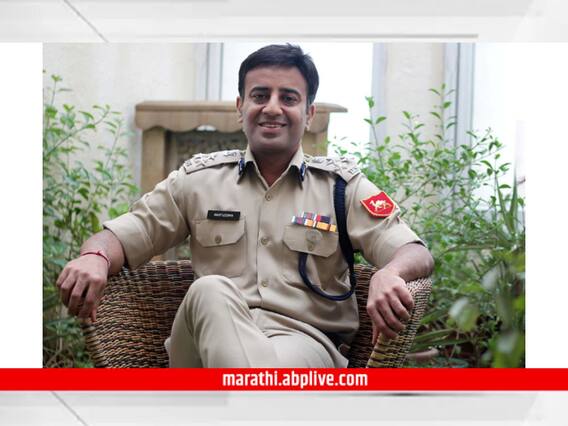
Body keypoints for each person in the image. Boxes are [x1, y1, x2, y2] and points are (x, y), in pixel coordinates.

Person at [56, 44, 434, 368]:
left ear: (309, 113)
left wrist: (391, 272)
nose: (272, 108)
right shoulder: (198, 180)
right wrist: (96, 257)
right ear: (241, 107)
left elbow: (414, 251)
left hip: (303, 345)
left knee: (259, 372)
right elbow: (127, 233)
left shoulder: (341, 188)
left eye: (288, 98)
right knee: (209, 291)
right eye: (260, 95)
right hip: (200, 347)